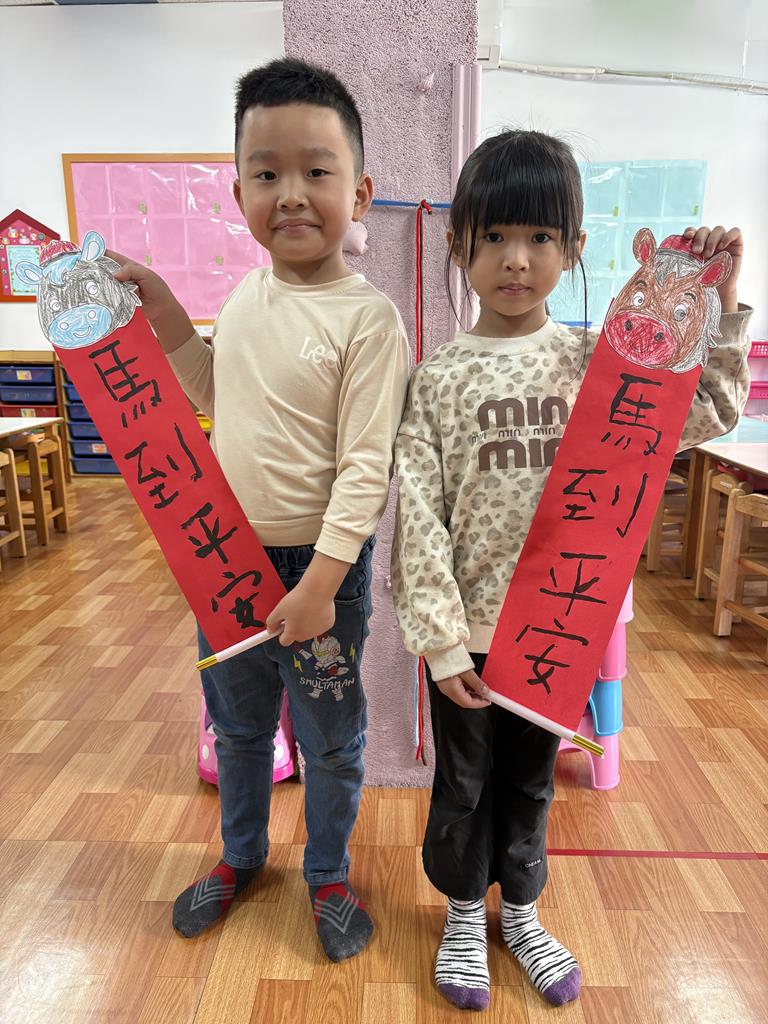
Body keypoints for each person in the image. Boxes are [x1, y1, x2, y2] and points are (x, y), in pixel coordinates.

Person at [390, 128, 752, 1009]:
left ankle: (520, 912)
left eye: (541, 237)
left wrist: (721, 303)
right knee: (463, 785)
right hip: (469, 639)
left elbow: (708, 413)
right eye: (494, 236)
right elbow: (419, 520)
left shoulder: (601, 363)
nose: (516, 258)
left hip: (563, 625)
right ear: (458, 245)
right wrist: (440, 644)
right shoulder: (437, 378)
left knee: (530, 781)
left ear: (574, 247)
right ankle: (463, 917)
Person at [111, 58, 410, 962]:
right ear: (238, 190)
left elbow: (366, 470)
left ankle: (327, 873)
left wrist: (320, 583)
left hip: (322, 576)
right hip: (225, 563)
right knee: (237, 728)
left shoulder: (369, 320)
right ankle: (241, 856)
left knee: (330, 740)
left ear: (359, 192)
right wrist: (166, 312)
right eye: (266, 173)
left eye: (317, 171)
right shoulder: (244, 298)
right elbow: (215, 393)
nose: (291, 194)